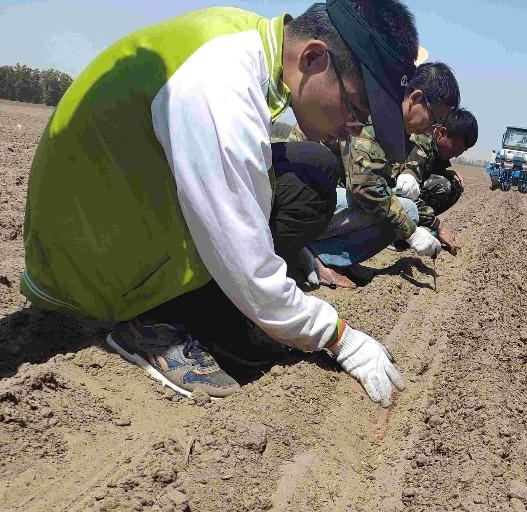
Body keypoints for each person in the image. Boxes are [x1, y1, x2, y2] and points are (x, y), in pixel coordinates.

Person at [20, 0, 417, 404]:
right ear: (314, 58)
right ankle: (155, 320)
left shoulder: (250, 42)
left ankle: (209, 306)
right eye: (354, 108)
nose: (352, 129)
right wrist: (339, 336)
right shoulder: (221, 81)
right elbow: (244, 253)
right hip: (89, 270)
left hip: (115, 216)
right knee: (282, 216)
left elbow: (250, 187)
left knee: (312, 172)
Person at [307, 61, 460, 287]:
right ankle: (311, 256)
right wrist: (412, 233)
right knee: (402, 214)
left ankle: (335, 258)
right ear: (416, 99)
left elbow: (387, 185)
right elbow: (366, 188)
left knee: (406, 209)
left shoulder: (392, 126)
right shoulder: (372, 114)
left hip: (325, 198)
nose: (431, 130)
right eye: (434, 120)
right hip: (299, 200)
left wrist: (434, 224)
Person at [401, 107, 478, 255]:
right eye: (456, 148)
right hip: (392, 198)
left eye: (462, 152)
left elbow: (426, 172)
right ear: (442, 133)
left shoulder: (438, 148)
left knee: (455, 185)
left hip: (406, 198)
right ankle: (403, 232)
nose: (456, 155)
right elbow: (407, 192)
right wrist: (438, 225)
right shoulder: (421, 144)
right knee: (443, 185)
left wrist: (446, 172)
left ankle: (417, 226)